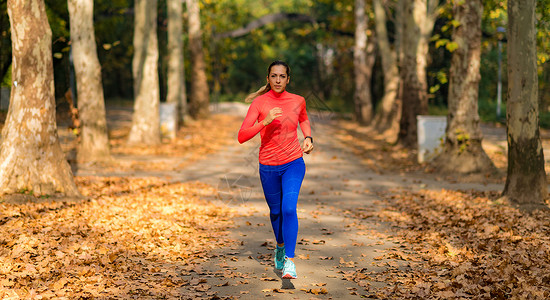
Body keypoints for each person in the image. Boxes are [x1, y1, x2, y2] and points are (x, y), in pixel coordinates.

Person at [238, 60, 313, 279]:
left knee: (289, 208)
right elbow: (242, 136)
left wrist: (308, 137)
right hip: (268, 166)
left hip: (293, 162)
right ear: (268, 79)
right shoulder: (260, 103)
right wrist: (265, 122)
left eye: (282, 76)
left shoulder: (298, 100)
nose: (278, 80)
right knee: (276, 212)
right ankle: (280, 247)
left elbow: (304, 118)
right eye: (274, 76)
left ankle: (289, 261)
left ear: (288, 79)